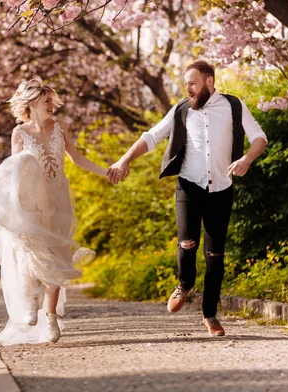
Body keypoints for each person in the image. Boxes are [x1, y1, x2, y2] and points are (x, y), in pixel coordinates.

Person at [107, 60, 268, 336]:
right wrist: (125, 159)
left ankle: (210, 315)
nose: (188, 89)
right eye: (186, 85)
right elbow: (153, 135)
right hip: (188, 186)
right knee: (187, 242)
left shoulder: (233, 106)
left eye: (192, 83)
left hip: (221, 188)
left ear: (208, 81)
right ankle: (184, 284)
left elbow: (260, 138)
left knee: (215, 254)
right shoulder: (183, 108)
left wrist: (247, 159)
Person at [0, 79, 107, 345]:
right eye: (46, 100)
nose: (52, 104)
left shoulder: (59, 127)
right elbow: (12, 172)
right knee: (32, 251)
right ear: (32, 102)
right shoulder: (19, 133)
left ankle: (50, 316)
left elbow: (76, 158)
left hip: (58, 197)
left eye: (52, 99)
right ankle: (30, 300)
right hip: (32, 202)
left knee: (58, 255)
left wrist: (107, 172)